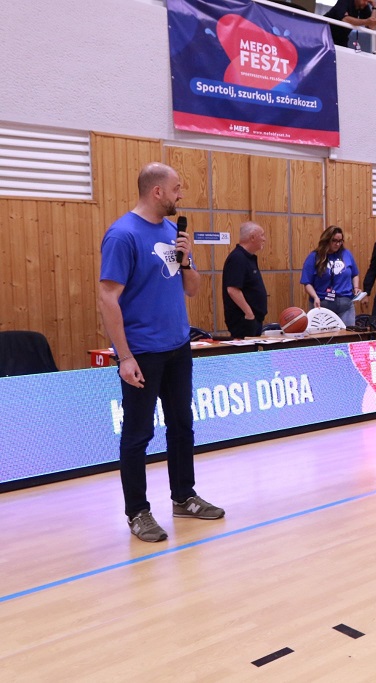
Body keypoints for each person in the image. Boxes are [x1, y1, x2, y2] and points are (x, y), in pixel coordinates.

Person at [97, 162, 224, 543]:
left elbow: (192, 289)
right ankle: (137, 511)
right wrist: (125, 357)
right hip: (142, 352)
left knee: (182, 425)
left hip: (177, 347)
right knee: (138, 434)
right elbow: (107, 297)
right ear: (157, 192)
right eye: (176, 188)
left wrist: (187, 259)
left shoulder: (173, 232)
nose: (180, 194)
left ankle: (184, 496)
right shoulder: (122, 235)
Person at [301, 225, 362, 328]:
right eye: (334, 241)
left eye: (340, 241)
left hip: (345, 304)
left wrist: (356, 288)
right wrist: (315, 297)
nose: (337, 244)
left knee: (348, 334)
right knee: (323, 336)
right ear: (327, 240)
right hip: (322, 304)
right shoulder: (314, 257)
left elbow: (354, 274)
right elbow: (307, 283)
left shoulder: (346, 254)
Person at [222, 221, 268, 339]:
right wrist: (249, 314)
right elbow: (232, 289)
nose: (264, 239)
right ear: (252, 237)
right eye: (262, 235)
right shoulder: (238, 258)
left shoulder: (248, 258)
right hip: (244, 321)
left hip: (252, 320)